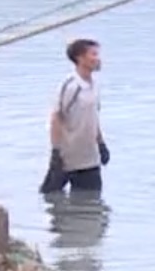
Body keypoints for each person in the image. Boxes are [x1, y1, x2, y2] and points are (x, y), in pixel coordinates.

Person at [42, 38, 108, 195]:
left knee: (92, 206)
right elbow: (56, 118)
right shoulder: (71, 86)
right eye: (93, 54)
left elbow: (93, 118)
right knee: (51, 197)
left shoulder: (94, 86)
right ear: (80, 58)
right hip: (67, 158)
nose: (97, 58)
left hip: (90, 158)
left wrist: (101, 144)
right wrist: (56, 152)